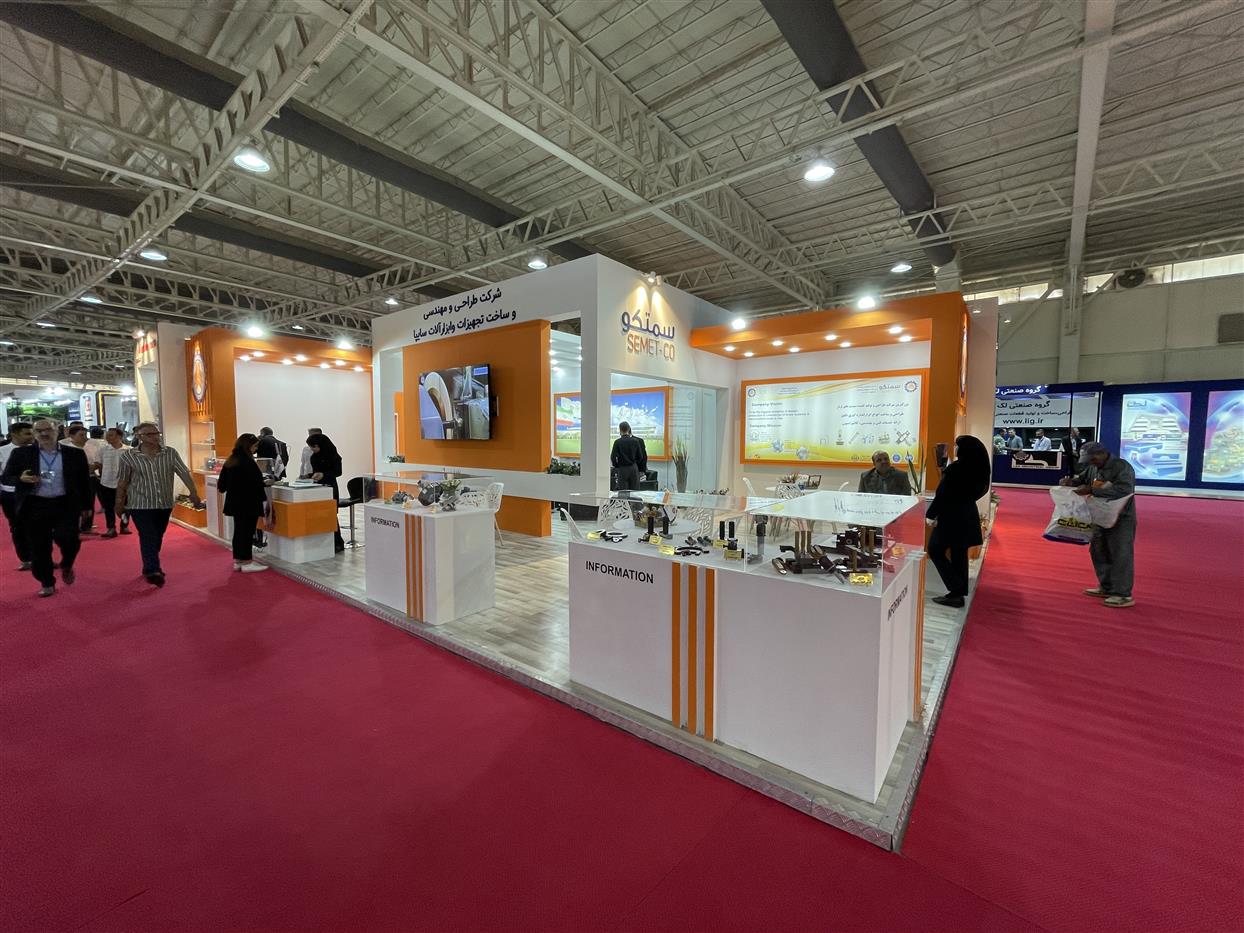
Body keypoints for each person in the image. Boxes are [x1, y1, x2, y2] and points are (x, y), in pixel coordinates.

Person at [0, 419, 93, 597]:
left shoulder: (74, 454)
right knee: (39, 547)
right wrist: (21, 478)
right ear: (34, 434)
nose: (44, 434)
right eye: (39, 431)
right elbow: (6, 477)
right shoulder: (21, 453)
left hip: (65, 504)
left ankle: (67, 563)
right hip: (35, 505)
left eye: (48, 430)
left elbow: (84, 482)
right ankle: (47, 581)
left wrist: (87, 505)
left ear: (57, 431)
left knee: (69, 540)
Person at [115, 422, 203, 586]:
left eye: (156, 433)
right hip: (139, 504)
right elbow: (123, 481)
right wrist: (119, 502)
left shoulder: (170, 453)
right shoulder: (128, 456)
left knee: (157, 535)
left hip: (164, 503)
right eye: (150, 434)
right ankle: (153, 569)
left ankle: (149, 563)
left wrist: (193, 492)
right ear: (139, 437)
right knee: (148, 535)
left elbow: (183, 472)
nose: (155, 437)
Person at [1060, 441, 1137, 608]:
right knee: (1098, 550)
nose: (1091, 463)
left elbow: (1124, 490)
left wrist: (1092, 490)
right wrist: (1071, 482)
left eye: (1093, 459)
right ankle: (1106, 587)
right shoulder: (1093, 467)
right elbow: (1082, 479)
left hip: (1121, 517)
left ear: (1103, 454)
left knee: (1120, 553)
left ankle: (1122, 594)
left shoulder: (1122, 467)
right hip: (1098, 515)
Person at [926, 435, 992, 609]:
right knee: (959, 553)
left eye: (957, 445)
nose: (955, 448)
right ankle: (958, 594)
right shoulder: (977, 468)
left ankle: (956, 588)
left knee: (935, 550)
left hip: (951, 518)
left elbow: (943, 494)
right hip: (967, 515)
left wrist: (931, 514)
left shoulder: (956, 468)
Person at [217, 433, 271, 573]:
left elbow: (221, 485)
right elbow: (255, 483)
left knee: (239, 531)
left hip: (235, 503)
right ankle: (247, 562)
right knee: (247, 532)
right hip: (248, 503)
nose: (256, 449)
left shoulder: (231, 460)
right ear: (248, 446)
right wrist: (265, 483)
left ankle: (238, 560)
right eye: (255, 446)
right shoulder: (247, 461)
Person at [0, 421, 34, 570]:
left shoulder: (38, 450)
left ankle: (43, 558)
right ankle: (25, 559)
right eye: (27, 434)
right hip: (10, 495)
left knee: (40, 527)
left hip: (34, 494)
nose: (31, 436)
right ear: (14, 434)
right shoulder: (2, 451)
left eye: (32, 433)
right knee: (17, 527)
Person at [306, 432, 345, 551]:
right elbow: (316, 472)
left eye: (314, 447)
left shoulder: (334, 456)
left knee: (331, 514)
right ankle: (323, 542)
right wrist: (309, 476)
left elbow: (337, 472)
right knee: (319, 514)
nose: (312, 449)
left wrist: (323, 475)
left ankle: (337, 542)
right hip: (318, 488)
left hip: (330, 488)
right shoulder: (314, 457)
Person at [96, 427, 131, 538]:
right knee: (108, 507)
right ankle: (111, 528)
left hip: (124, 483)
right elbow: (99, 464)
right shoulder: (103, 450)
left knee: (125, 506)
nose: (108, 437)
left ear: (119, 436)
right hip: (106, 482)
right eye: (107, 435)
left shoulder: (129, 450)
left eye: (111, 435)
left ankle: (124, 525)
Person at [610, 421, 647, 492]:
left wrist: (617, 466)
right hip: (633, 468)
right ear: (629, 429)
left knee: (623, 491)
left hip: (622, 469)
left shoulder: (617, 442)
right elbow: (640, 457)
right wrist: (634, 463)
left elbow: (613, 457)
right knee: (635, 491)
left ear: (620, 430)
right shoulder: (635, 441)